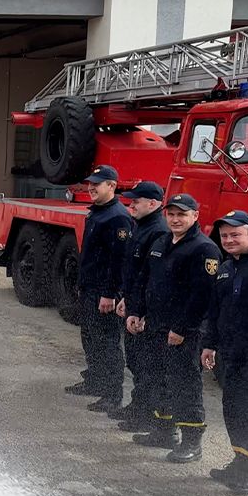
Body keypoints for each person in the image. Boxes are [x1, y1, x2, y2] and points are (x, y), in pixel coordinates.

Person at [125, 193, 220, 462]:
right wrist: (136, 311)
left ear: (195, 216)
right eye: (172, 214)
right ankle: (163, 431)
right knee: (157, 379)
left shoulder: (204, 249)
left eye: (182, 214)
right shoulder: (161, 241)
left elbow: (201, 297)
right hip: (155, 326)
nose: (176, 219)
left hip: (183, 333)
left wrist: (181, 328)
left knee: (184, 385)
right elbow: (146, 279)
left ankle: (191, 442)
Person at [202, 210, 248, 493]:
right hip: (232, 355)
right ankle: (241, 463)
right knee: (234, 410)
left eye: (235, 234)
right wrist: (209, 344)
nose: (228, 240)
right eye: (225, 235)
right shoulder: (226, 268)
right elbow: (216, 311)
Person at [64, 165, 134, 414]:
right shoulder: (98, 213)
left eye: (98, 183)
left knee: (107, 343)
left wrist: (110, 294)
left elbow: (119, 262)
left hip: (103, 292)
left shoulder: (118, 217)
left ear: (112, 186)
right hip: (90, 288)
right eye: (90, 183)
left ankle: (112, 394)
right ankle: (94, 381)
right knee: (90, 337)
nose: (91, 187)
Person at [113, 181, 168, 433]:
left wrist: (141, 310)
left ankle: (145, 414)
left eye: (136, 200)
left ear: (153, 204)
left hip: (144, 311)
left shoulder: (157, 231)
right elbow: (133, 271)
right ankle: (137, 406)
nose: (131, 204)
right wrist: (126, 298)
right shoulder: (141, 226)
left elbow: (151, 278)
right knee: (135, 361)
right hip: (134, 303)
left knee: (146, 365)